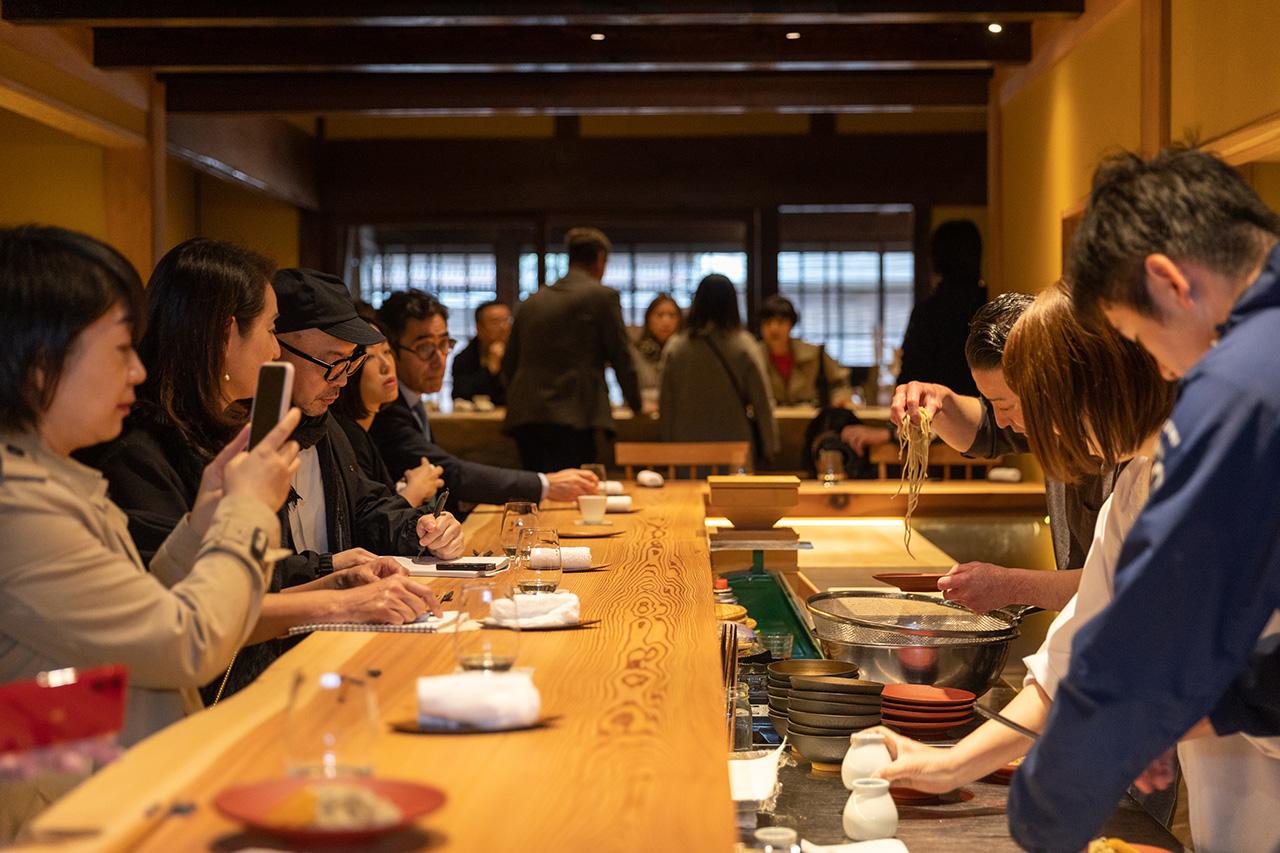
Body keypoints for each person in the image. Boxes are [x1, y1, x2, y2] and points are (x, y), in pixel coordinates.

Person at [1008, 148, 1280, 853]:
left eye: (1140, 337)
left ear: (1169, 281)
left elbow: (1151, 614)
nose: (1158, 367)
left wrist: (1048, 804)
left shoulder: (1242, 383)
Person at [0, 226, 299, 838]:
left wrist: (204, 521)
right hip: (63, 819)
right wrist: (247, 513)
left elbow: (131, 625)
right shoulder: (16, 505)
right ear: (39, 359)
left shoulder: (49, 476)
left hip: (103, 788)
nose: (137, 370)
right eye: (119, 350)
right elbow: (184, 644)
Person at [870, 284, 1199, 835]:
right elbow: (1069, 656)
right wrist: (949, 766)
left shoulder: (1215, 466)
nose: (1031, 432)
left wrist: (1164, 711)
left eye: (1032, 408)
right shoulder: (1133, 485)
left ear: (1095, 383)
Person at [88, 245, 451, 701]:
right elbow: (184, 624)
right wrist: (334, 595)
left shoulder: (244, 431)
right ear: (225, 335)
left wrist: (338, 580)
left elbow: (204, 596)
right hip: (206, 705)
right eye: (271, 328)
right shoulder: (137, 453)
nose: (275, 349)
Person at [848, 292, 1115, 613]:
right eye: (993, 403)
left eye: (1006, 405)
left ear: (1052, 383)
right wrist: (939, 400)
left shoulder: (1134, 450)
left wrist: (1011, 585)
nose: (1001, 419)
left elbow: (1123, 585)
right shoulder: (1050, 419)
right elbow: (985, 430)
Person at [372, 289, 598, 510]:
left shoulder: (411, 401)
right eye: (425, 348)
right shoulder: (384, 410)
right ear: (391, 351)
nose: (439, 359)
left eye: (443, 344)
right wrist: (545, 485)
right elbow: (449, 471)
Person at [501, 227, 644, 471]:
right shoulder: (601, 296)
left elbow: (509, 363)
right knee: (575, 488)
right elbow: (620, 355)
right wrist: (636, 404)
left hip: (527, 415)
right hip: (575, 415)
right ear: (600, 259)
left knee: (538, 487)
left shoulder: (532, 301)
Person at [659, 274, 780, 462]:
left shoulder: (676, 348)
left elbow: (666, 405)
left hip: (687, 449)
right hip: (735, 447)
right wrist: (770, 447)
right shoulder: (743, 346)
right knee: (733, 482)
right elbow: (762, 402)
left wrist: (668, 448)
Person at [332, 320, 444, 508]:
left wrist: (402, 489)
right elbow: (364, 521)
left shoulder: (367, 430)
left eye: (386, 351)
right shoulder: (346, 437)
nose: (386, 365)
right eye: (370, 357)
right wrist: (414, 491)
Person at [895, 219, 988, 396]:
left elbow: (909, 375)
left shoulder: (928, 312)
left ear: (936, 259)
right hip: (986, 406)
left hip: (933, 407)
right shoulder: (989, 305)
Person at [756, 294, 852, 407]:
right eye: (767, 323)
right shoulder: (753, 357)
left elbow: (840, 383)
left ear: (791, 325)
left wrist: (840, 399)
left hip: (810, 415)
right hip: (768, 416)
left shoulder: (815, 353)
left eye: (780, 322)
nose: (774, 329)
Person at [450, 300, 511, 404]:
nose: (504, 327)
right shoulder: (465, 358)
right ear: (479, 328)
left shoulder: (520, 353)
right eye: (496, 322)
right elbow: (459, 394)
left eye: (507, 320)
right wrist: (490, 370)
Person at [629, 292, 682, 404]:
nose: (666, 322)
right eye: (659, 315)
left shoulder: (684, 353)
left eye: (672, 315)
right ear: (648, 319)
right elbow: (630, 392)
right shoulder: (635, 352)